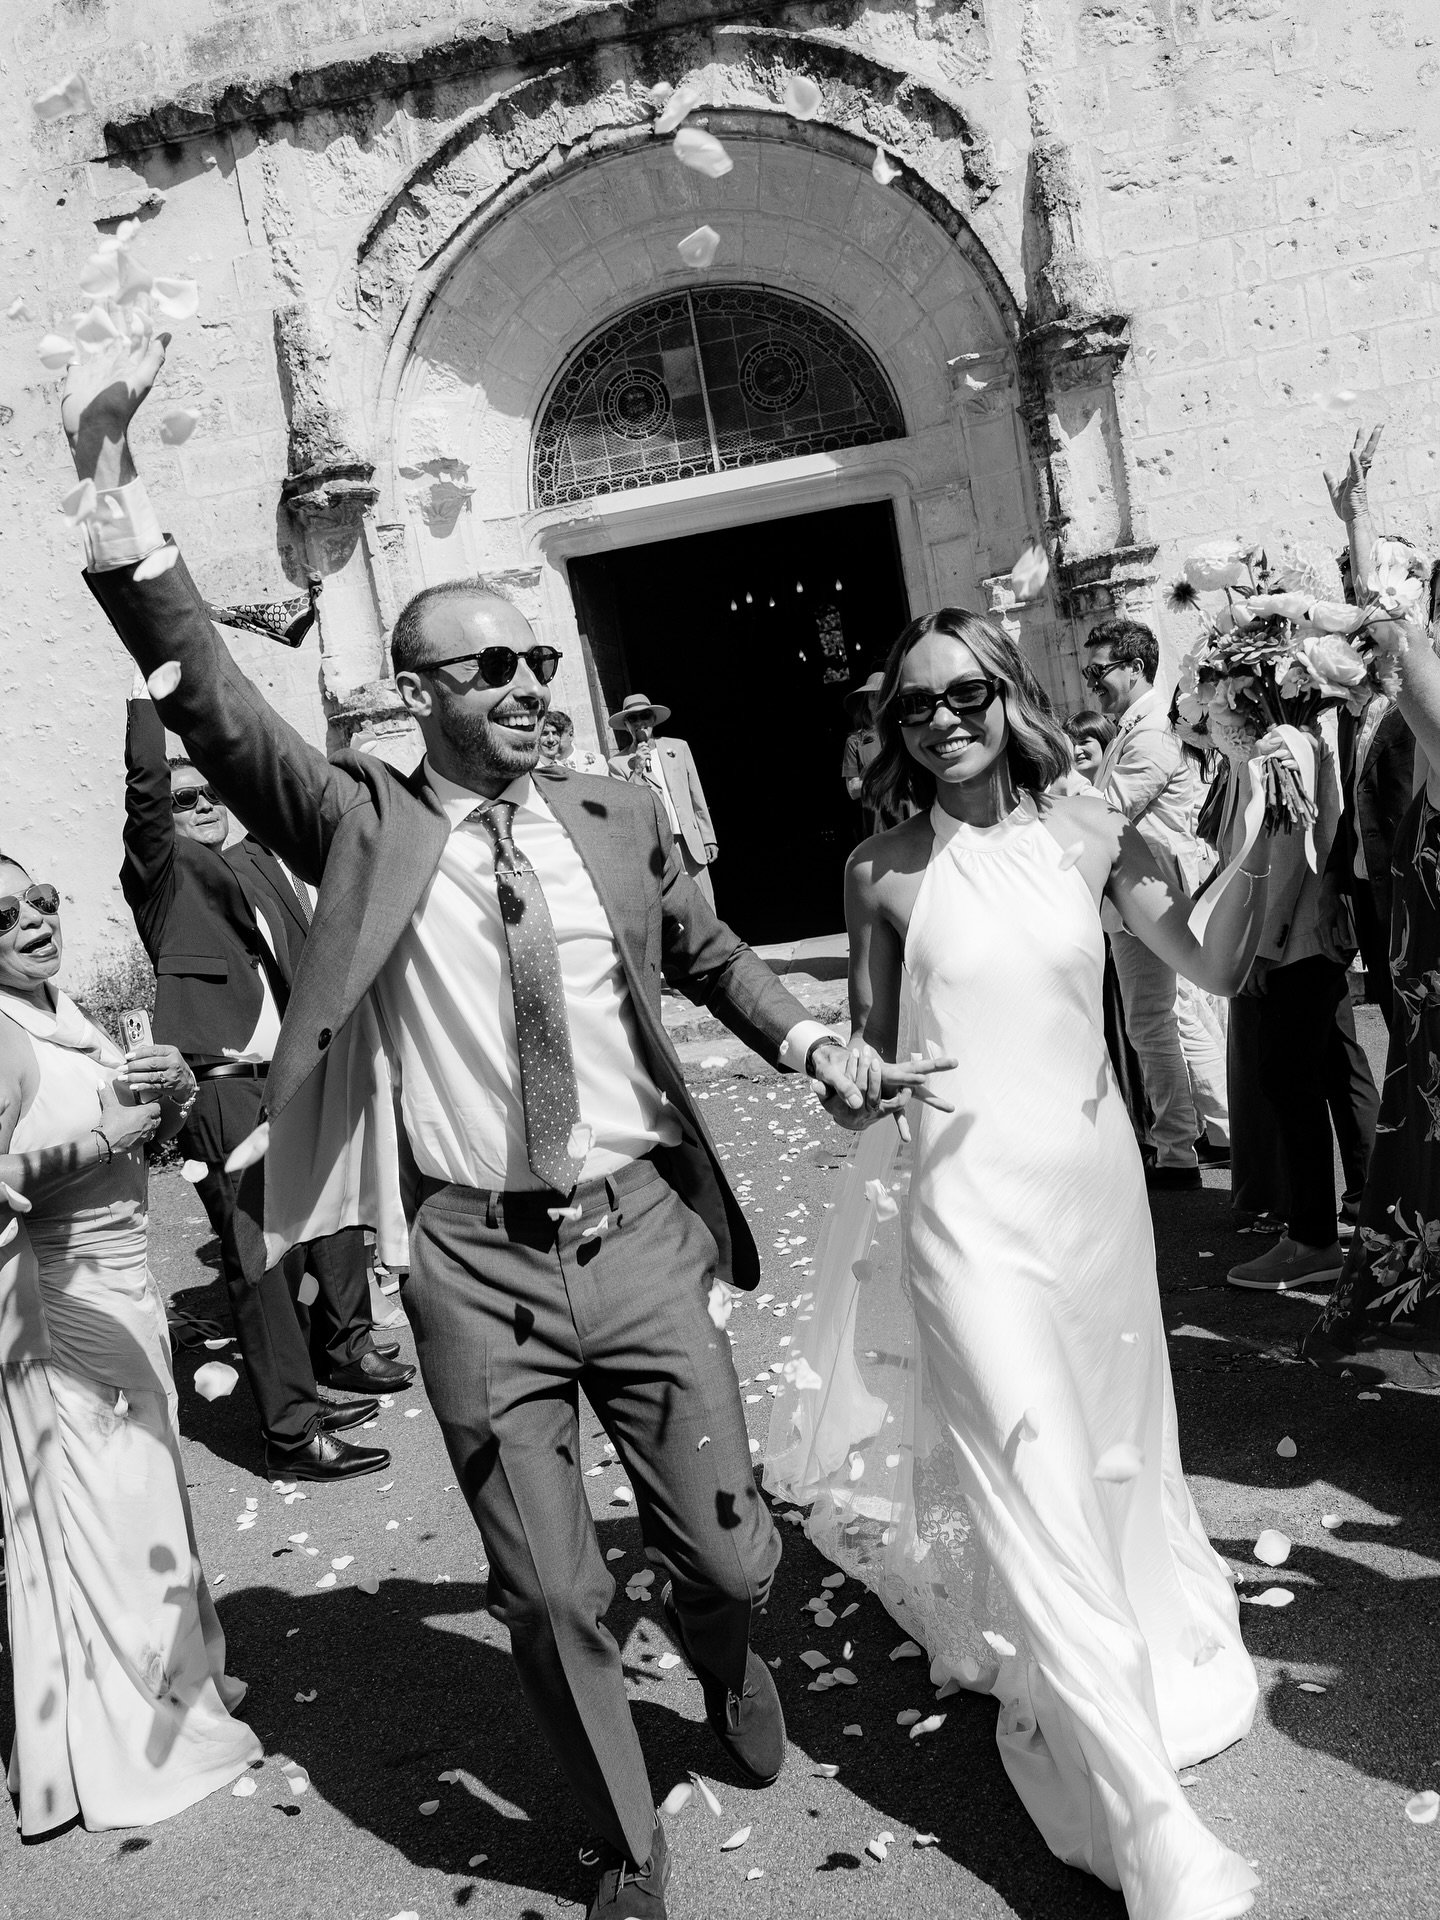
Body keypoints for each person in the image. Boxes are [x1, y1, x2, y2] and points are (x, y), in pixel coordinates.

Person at [61, 328, 945, 1920]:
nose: (535, 688)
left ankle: (733, 1660)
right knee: (546, 1586)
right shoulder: (356, 819)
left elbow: (713, 956)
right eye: (494, 669)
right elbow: (213, 697)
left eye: (542, 662)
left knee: (735, 1561)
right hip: (475, 1266)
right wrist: (118, 494)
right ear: (420, 694)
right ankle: (622, 1841)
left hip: (644, 1236)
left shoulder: (613, 817)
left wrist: (814, 1040)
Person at [777, 607, 1275, 1919]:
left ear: (1009, 697)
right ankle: (1149, 1826)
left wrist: (1268, 810)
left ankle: (1131, 1664)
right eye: (915, 704)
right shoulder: (877, 869)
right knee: (1037, 1478)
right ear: (895, 728)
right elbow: (864, 1061)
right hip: (963, 1217)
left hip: (1097, 1210)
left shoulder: (1087, 833)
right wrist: (851, 1082)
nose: (942, 719)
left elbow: (1206, 959)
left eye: (964, 693)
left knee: (1109, 1460)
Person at [0, 854, 261, 1837]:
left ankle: (184, 1691)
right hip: (62, 1306)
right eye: (5, 915)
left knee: (150, 1508)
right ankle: (138, 1744)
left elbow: (144, 1137)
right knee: (116, 1519)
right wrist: (108, 1131)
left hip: (128, 1294)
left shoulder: (66, 1013)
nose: (33, 922)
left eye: (43, 901)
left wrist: (173, 1097)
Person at [121, 692, 405, 1481]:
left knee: (309, 1232)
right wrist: (154, 693)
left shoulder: (242, 866)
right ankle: (290, 1433)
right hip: (219, 1087)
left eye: (211, 794)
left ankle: (309, 1385)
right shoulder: (162, 876)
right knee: (258, 1263)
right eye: (186, 801)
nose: (203, 806)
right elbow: (145, 794)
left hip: (283, 1078)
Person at [1303, 428, 1440, 1369]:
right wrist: (1355, 526)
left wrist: (1360, 541)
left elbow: (1396, 639)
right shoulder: (1409, 716)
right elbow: (1393, 644)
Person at [1220, 710, 1379, 1293]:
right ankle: (1369, 1205)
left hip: (1297, 939)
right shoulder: (1301, 731)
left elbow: (1289, 846)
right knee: (1337, 1065)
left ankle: (1312, 1238)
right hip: (1314, 933)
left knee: (1288, 1080)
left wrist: (1264, 945)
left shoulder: (1281, 740)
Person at [1084, 617, 1228, 1189]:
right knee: (1166, 1020)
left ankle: (1187, 1145)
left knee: (1164, 1020)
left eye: (1100, 671)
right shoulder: (1136, 727)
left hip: (1156, 897)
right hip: (1146, 901)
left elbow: (1104, 811)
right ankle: (1202, 1136)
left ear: (1136, 667)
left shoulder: (1148, 735)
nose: (1092, 683)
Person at [607, 692, 718, 905]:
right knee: (676, 904)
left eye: (645, 716)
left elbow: (696, 794)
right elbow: (625, 805)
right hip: (657, 845)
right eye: (633, 718)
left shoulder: (678, 747)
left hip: (688, 838)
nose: (639, 723)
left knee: (705, 900)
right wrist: (637, 770)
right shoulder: (618, 763)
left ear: (653, 719)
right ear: (626, 725)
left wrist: (708, 836)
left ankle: (717, 939)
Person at [538, 708, 607, 776]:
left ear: (570, 735)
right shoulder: (536, 766)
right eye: (544, 733)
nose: (551, 740)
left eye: (556, 734)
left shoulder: (597, 761)